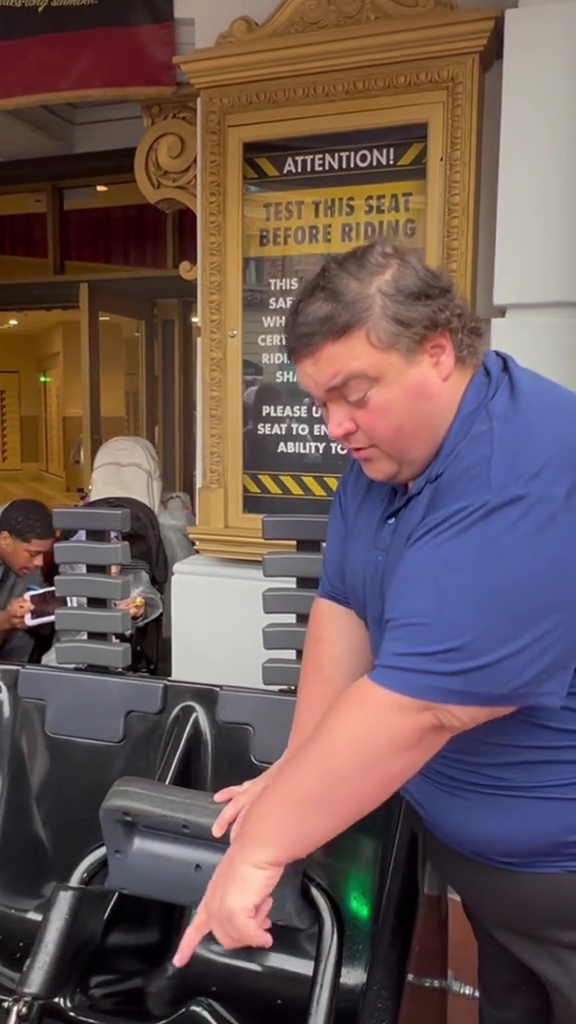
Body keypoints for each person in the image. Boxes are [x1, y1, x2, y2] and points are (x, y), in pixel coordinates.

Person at [173, 240, 576, 1024]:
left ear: (436, 354)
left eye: (354, 394)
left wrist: (261, 853)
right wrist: (295, 772)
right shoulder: (384, 461)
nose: (336, 427)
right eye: (321, 401)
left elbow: (424, 707)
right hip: (493, 876)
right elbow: (344, 605)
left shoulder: (526, 473)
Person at [0, 499, 54, 662]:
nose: (40, 563)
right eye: (32, 554)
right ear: (4, 540)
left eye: (43, 554)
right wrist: (7, 620)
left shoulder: (27, 566)